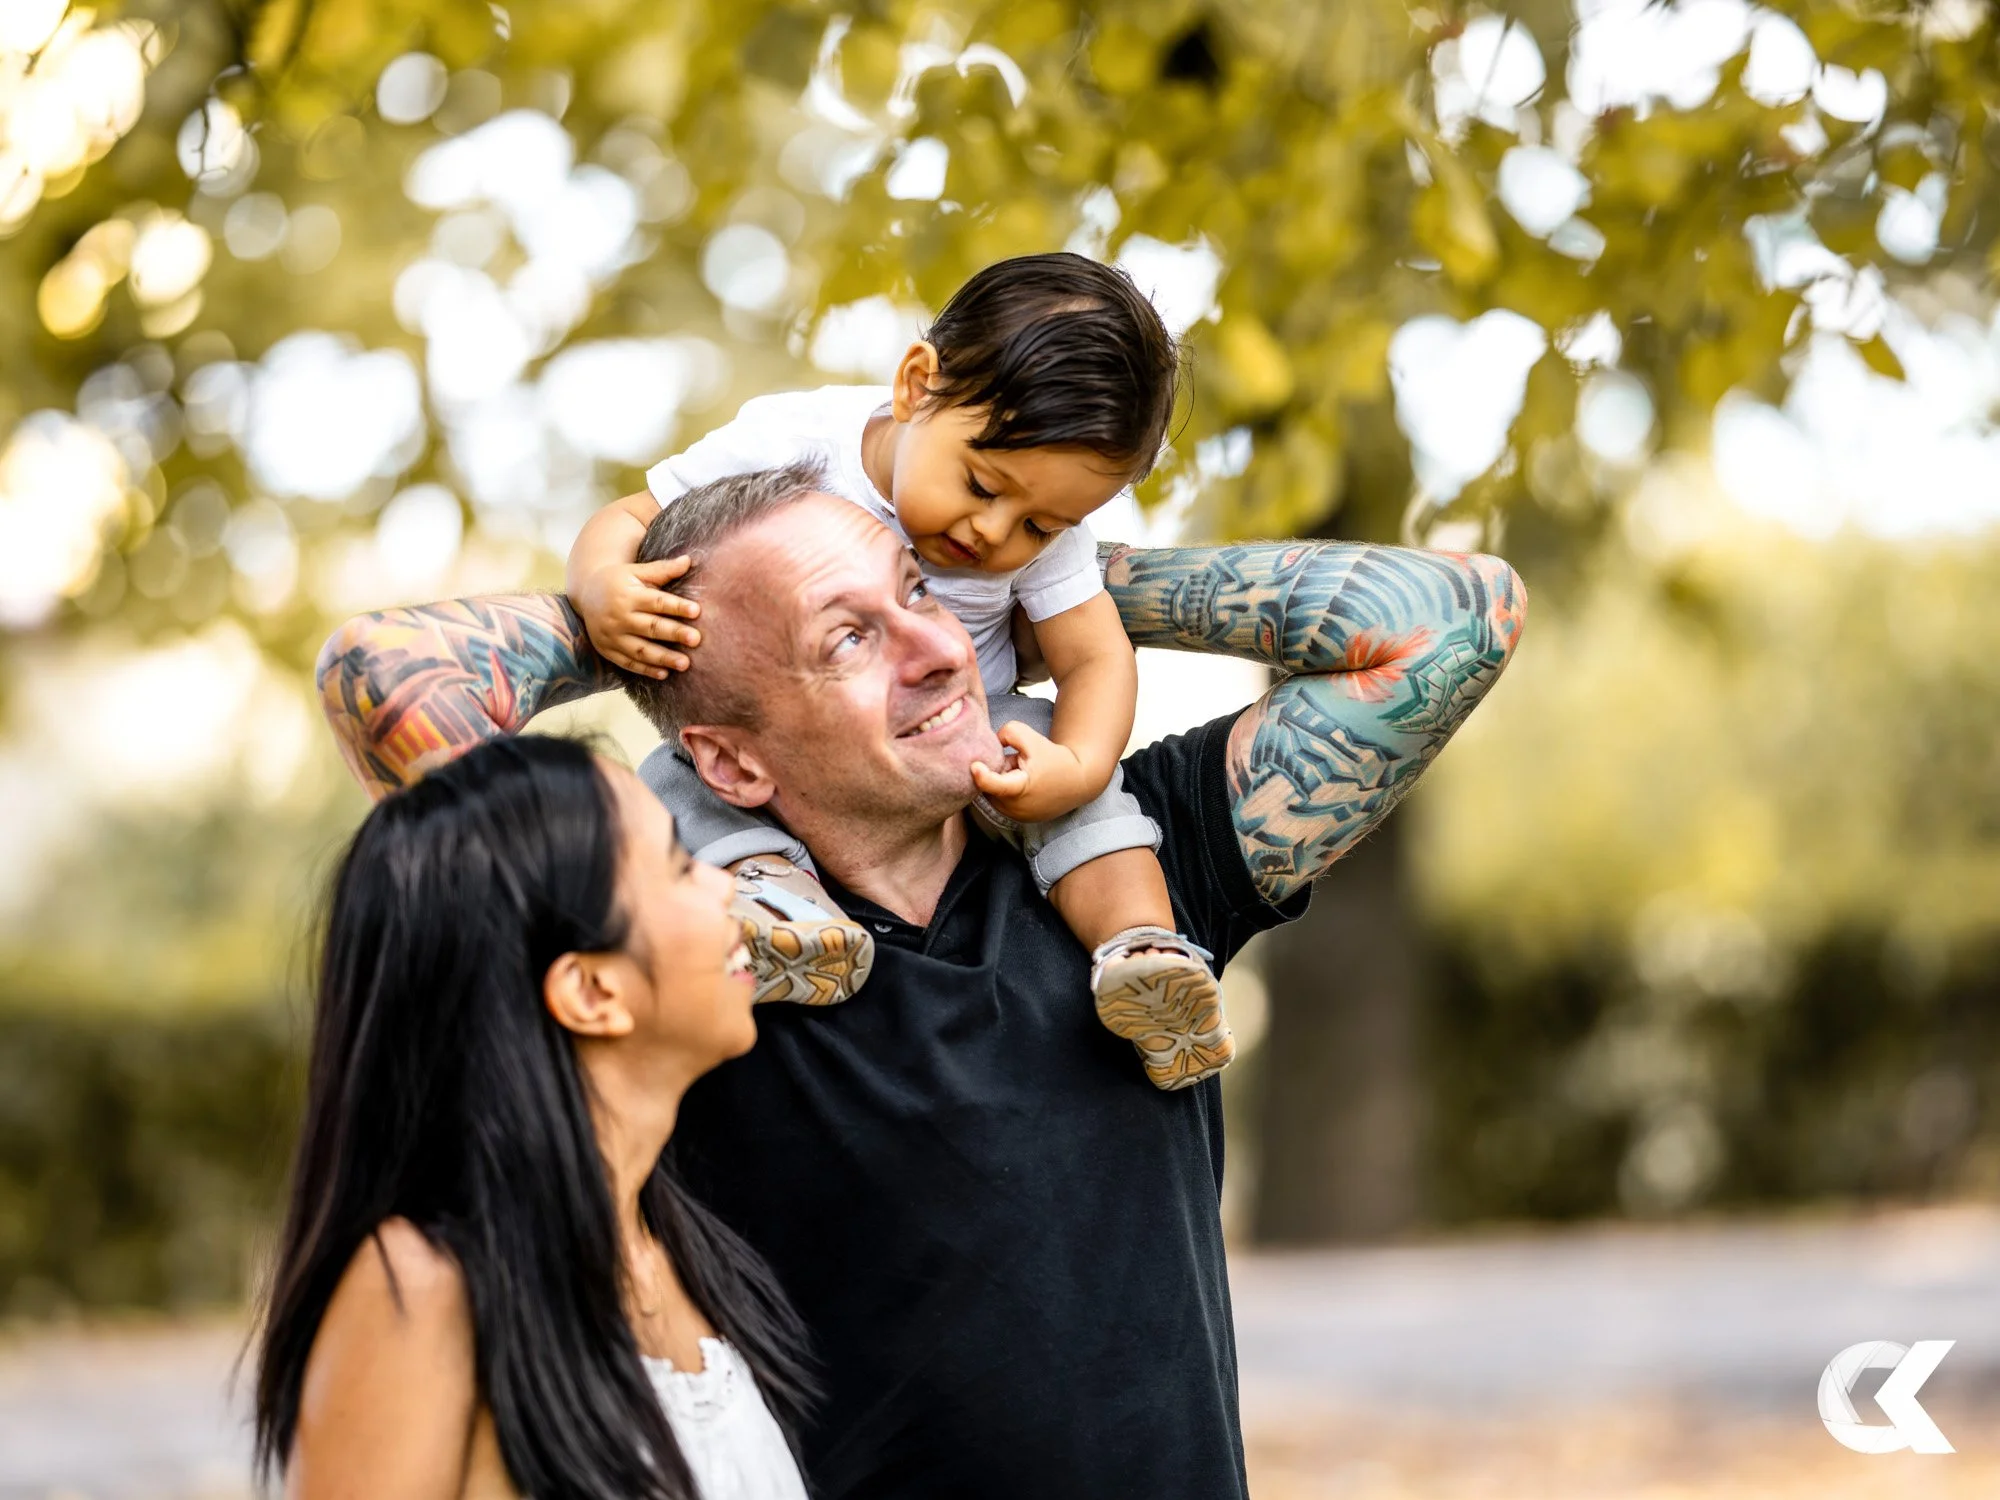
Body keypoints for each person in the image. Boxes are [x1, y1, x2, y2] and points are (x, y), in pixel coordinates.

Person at [316, 470, 1527, 1499]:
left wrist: (1046, 589)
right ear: (727, 762)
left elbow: (1452, 615)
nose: (939, 650)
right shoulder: (702, 955)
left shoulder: (1127, 866)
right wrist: (635, 627)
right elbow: (386, 669)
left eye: (917, 591)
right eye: (846, 639)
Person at [565, 253, 1233, 1090]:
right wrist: (602, 586)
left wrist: (1079, 764)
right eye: (982, 485)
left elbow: (1095, 655)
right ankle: (780, 906)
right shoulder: (799, 438)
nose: (996, 533)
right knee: (680, 778)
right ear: (918, 386)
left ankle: (1142, 950)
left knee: (1089, 800)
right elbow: (634, 513)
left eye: (1039, 526)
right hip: (794, 741)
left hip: (981, 724)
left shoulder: (1053, 532)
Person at [252, 734, 814, 1500]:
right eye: (679, 866)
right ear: (591, 992)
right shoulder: (421, 1288)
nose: (722, 884)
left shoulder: (684, 1250)